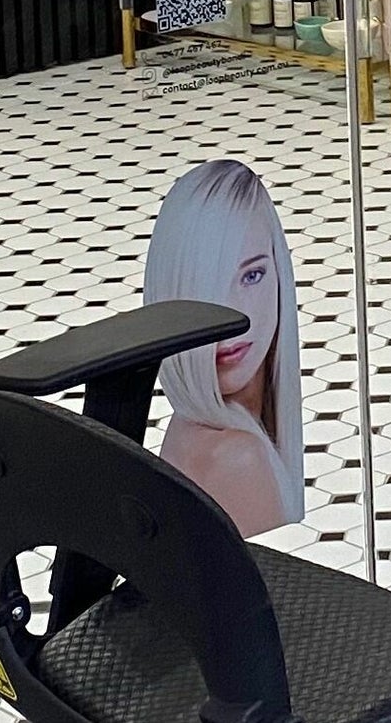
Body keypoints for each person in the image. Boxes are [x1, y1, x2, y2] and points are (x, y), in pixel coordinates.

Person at [142, 157, 305, 534]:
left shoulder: (188, 426)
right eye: (204, 283)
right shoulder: (238, 458)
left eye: (252, 275)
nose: (229, 314)